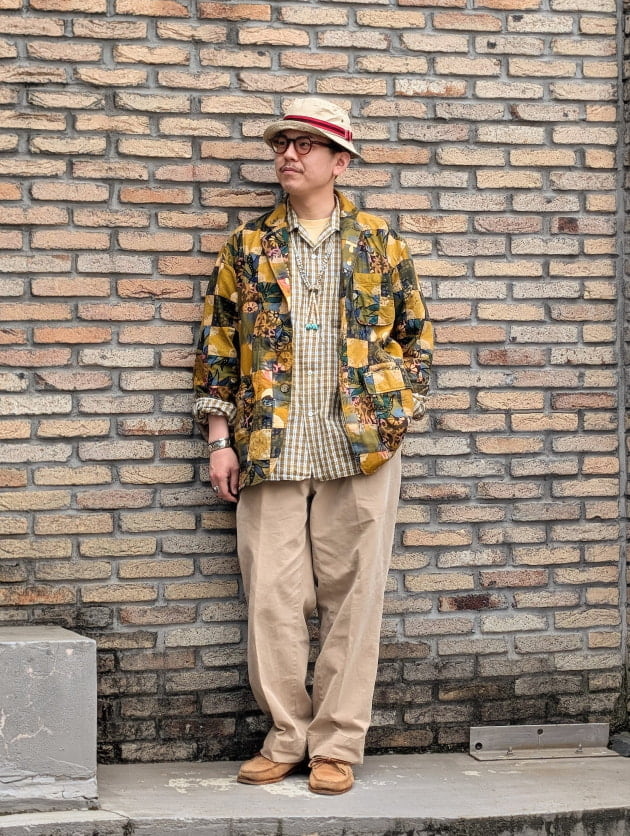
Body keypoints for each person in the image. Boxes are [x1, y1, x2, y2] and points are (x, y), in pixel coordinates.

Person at [193, 97, 433, 795]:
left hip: (361, 447)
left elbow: (416, 339)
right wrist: (219, 439)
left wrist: (396, 410)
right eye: (282, 145)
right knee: (272, 596)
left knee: (355, 599)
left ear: (339, 161)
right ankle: (287, 736)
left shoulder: (381, 243)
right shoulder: (248, 246)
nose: (288, 156)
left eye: (304, 145)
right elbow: (218, 345)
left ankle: (337, 745)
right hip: (269, 443)